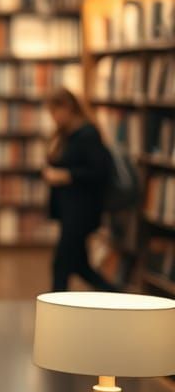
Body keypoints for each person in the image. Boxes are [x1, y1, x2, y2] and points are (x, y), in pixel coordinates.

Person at [43, 87, 116, 292]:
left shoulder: (88, 134)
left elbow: (100, 171)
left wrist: (67, 175)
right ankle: (118, 295)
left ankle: (56, 311)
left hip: (81, 210)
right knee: (79, 266)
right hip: (69, 210)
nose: (53, 118)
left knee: (61, 265)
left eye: (55, 112)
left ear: (67, 108)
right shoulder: (65, 134)